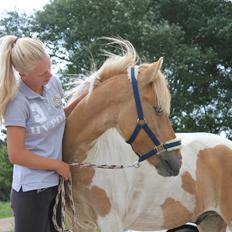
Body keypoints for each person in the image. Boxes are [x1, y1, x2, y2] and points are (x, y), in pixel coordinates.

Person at [0, 35, 90, 232]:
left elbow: (59, 117)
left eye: (49, 67)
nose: (49, 75)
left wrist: (90, 98)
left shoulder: (53, 83)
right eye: (42, 73)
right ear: (23, 75)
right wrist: (56, 165)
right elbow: (16, 154)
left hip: (54, 186)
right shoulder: (16, 102)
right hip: (31, 192)